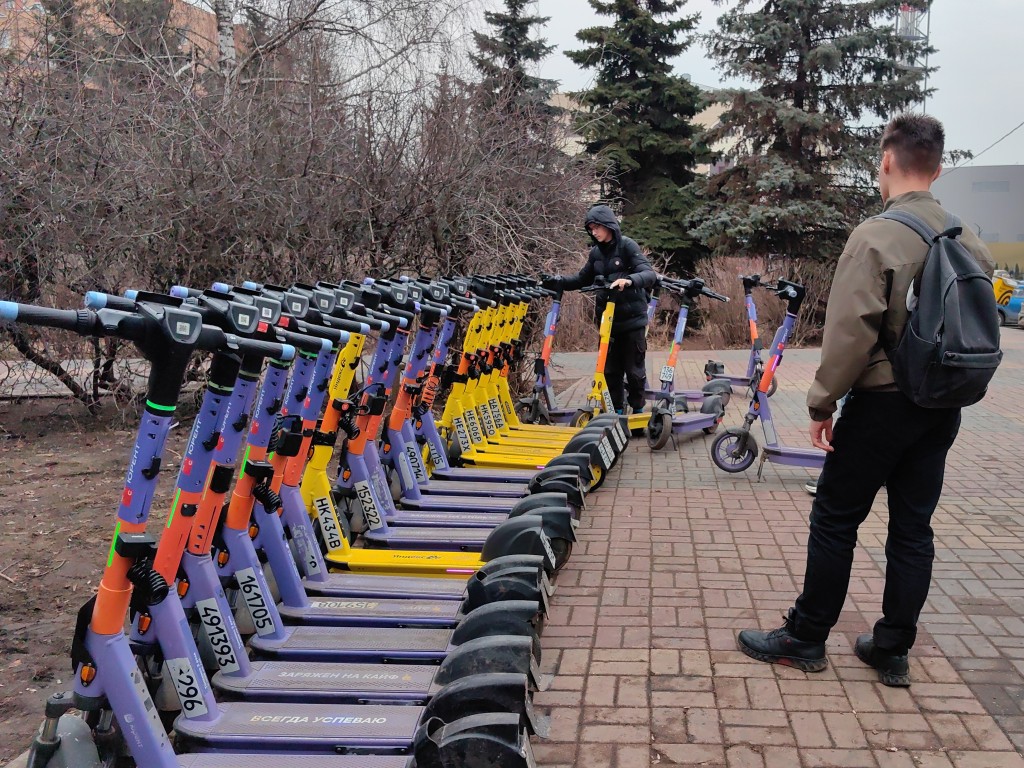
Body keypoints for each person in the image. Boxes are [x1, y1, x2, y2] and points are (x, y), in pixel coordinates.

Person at [736, 114, 995, 687]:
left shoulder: (875, 236)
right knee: (912, 529)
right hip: (942, 407)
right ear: (938, 166)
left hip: (881, 404)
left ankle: (805, 636)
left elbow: (849, 334)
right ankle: (891, 647)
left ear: (885, 162)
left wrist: (822, 405)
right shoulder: (967, 238)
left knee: (835, 518)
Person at [543, 205, 657, 414]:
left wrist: (629, 280)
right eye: (590, 229)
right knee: (610, 371)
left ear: (608, 226)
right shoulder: (596, 253)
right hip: (608, 323)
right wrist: (558, 281)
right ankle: (617, 413)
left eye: (597, 227)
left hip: (632, 321)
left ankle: (638, 410)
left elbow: (649, 274)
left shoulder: (627, 246)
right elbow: (580, 279)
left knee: (634, 371)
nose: (594, 232)